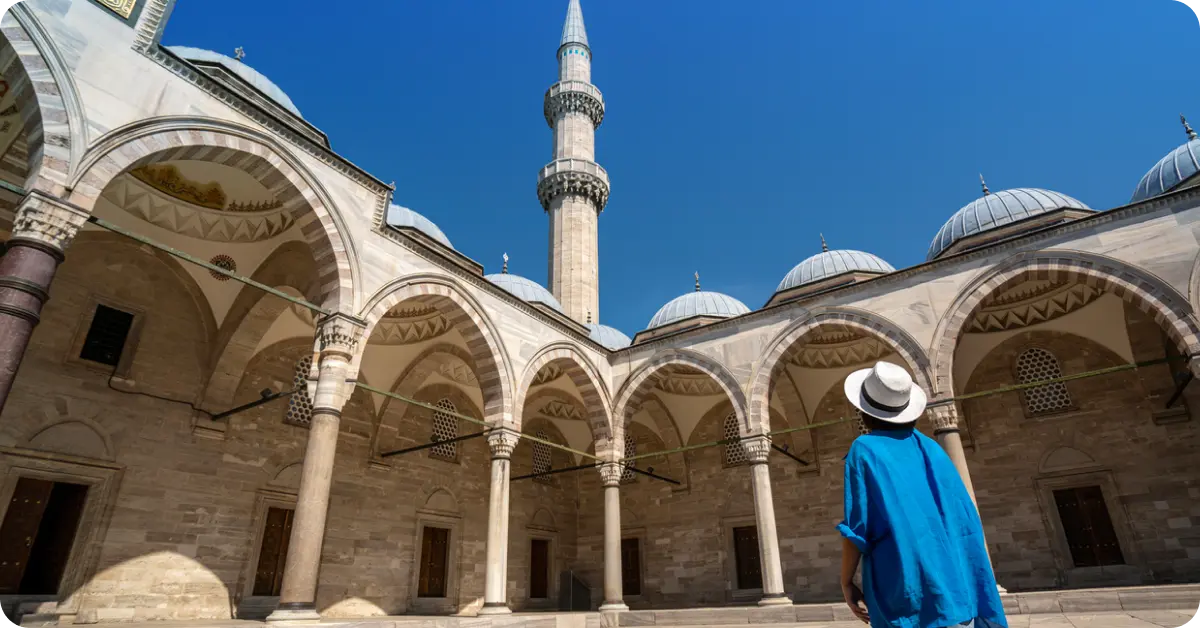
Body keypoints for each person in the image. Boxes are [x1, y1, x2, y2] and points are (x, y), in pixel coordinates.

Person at [837, 361, 1007, 628]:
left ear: (864, 412)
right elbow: (965, 521)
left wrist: (846, 581)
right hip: (954, 584)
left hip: (906, 584)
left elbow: (859, 526)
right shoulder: (933, 448)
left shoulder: (864, 448)